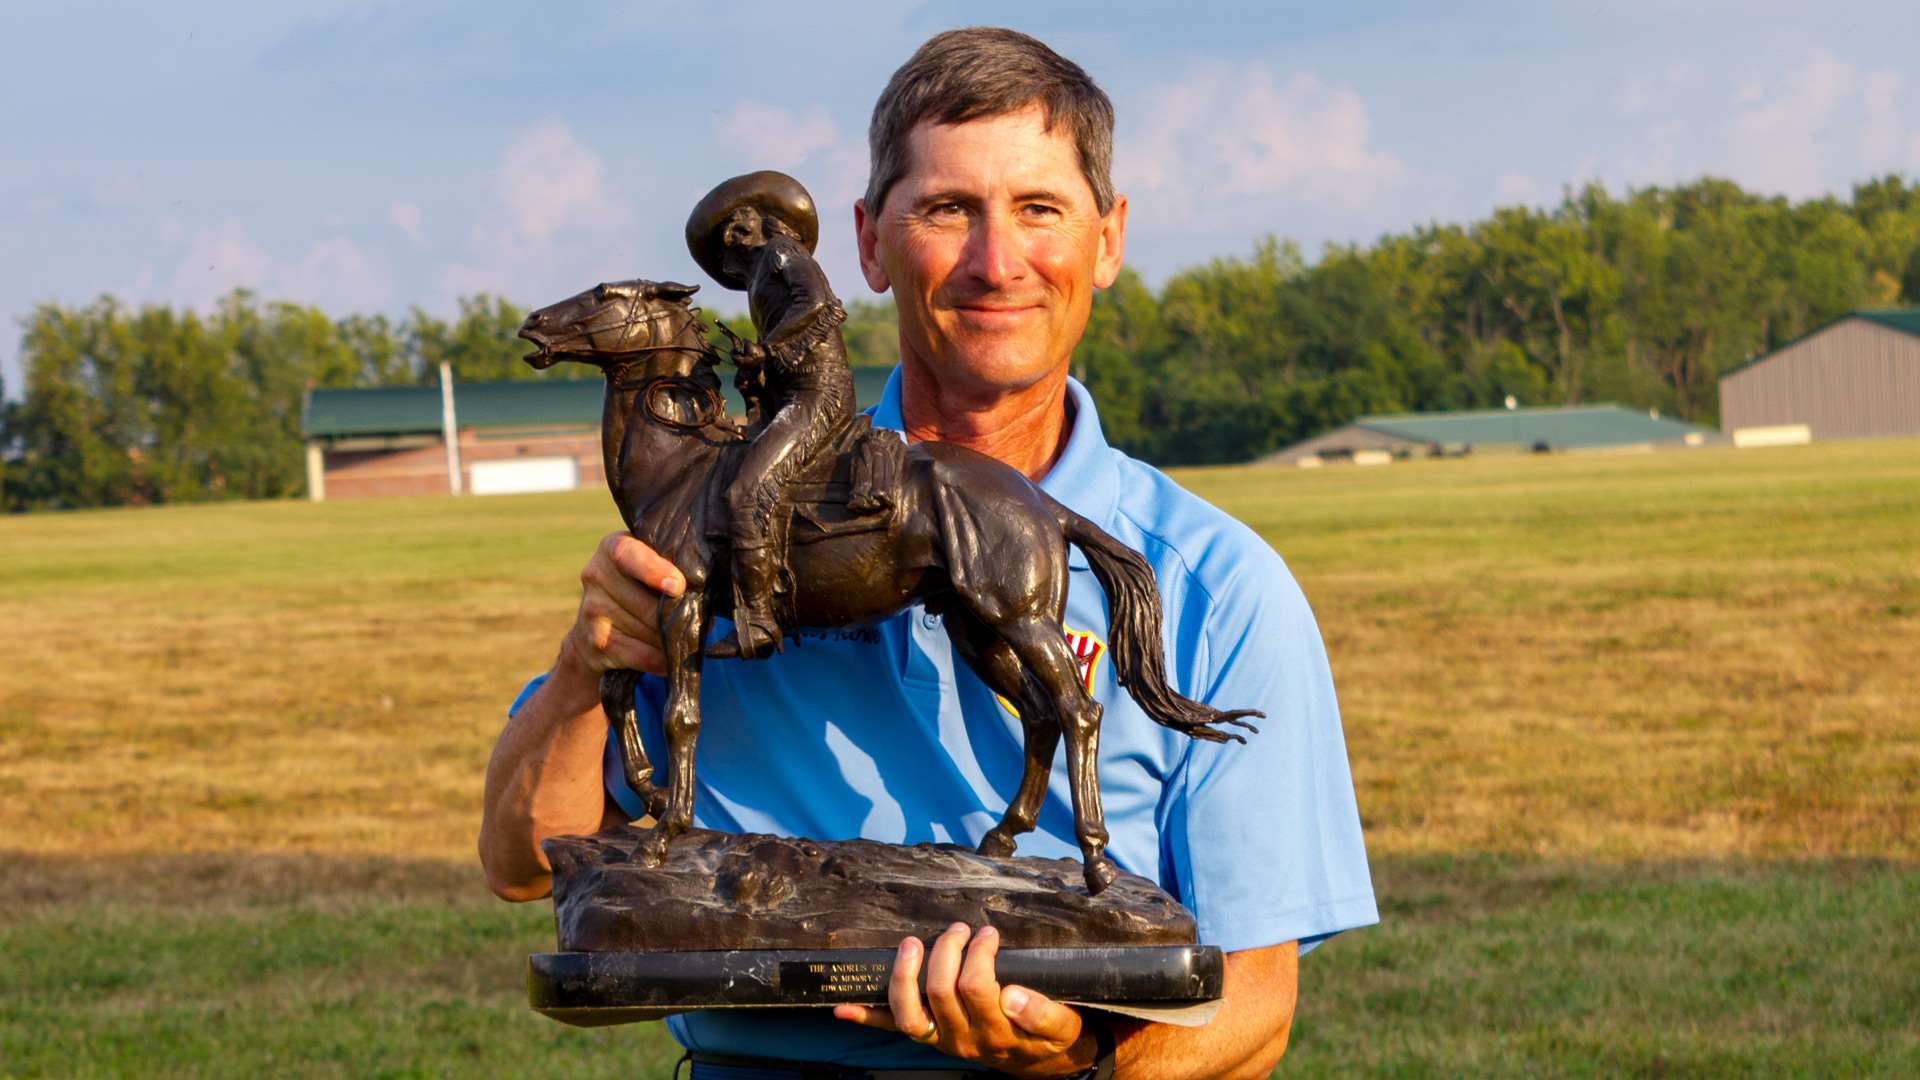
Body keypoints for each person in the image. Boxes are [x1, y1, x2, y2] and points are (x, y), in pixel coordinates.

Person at [480, 27, 1376, 1079]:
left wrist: (1073, 1062)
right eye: (949, 211)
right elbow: (516, 862)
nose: (998, 263)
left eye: (1039, 209)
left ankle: (763, 610)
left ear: (1108, 238)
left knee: (762, 480)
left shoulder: (1222, 586)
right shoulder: (684, 543)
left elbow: (1257, 1011)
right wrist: (589, 669)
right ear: (871, 241)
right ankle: (760, 599)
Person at [683, 172, 857, 661]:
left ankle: (757, 620)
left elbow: (820, 304)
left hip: (816, 397)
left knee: (744, 492)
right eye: (726, 225)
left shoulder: (785, 255)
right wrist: (755, 371)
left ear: (765, 220)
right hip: (790, 396)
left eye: (740, 217)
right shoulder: (760, 274)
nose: (732, 229)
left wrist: (769, 349)